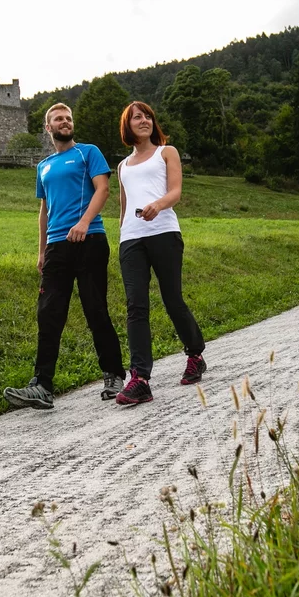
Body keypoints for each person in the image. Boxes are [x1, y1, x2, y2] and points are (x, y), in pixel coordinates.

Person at [2, 103, 126, 410]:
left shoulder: (88, 152)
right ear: (49, 128)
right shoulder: (43, 166)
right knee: (48, 313)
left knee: (95, 308)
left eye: (68, 118)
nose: (65, 122)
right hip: (57, 247)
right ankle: (41, 385)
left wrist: (83, 223)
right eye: (59, 119)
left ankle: (113, 374)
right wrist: (42, 250)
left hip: (90, 239)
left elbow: (103, 190)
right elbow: (44, 210)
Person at [112, 101, 206, 406]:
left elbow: (176, 191)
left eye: (148, 116)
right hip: (131, 239)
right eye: (137, 117)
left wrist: (158, 205)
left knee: (172, 299)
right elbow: (124, 206)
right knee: (135, 305)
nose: (144, 120)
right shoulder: (123, 166)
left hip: (164, 232)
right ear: (127, 126)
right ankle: (140, 379)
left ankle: (195, 354)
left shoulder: (167, 152)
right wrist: (122, 236)